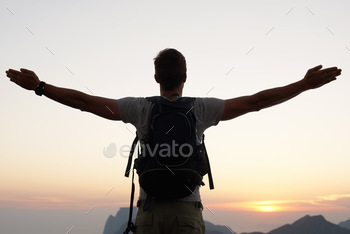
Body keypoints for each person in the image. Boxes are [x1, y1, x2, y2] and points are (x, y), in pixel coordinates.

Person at [5, 48, 342, 234]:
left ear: (156, 78)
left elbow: (85, 102)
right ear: (185, 77)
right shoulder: (202, 109)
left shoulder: (139, 108)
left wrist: (41, 87)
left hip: (149, 217)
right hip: (187, 215)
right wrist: (302, 85)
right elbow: (256, 101)